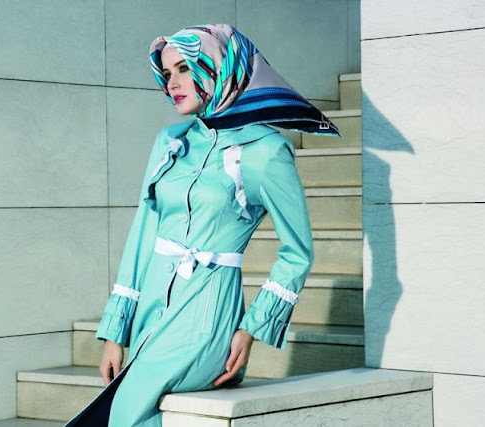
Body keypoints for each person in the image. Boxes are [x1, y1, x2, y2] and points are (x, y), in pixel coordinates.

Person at [65, 23, 341, 427]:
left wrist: (251, 329)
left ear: (219, 68)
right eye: (167, 74)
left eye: (184, 69)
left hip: (208, 315)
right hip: (151, 308)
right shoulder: (171, 142)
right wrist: (115, 330)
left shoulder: (266, 152)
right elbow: (143, 234)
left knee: (125, 413)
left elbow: (298, 252)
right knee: (117, 410)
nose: (172, 84)